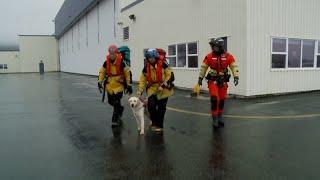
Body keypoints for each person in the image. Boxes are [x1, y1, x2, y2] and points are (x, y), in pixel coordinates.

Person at [197, 38, 239, 129]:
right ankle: (215, 119)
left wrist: (236, 76)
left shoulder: (228, 56)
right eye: (213, 47)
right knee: (214, 99)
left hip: (223, 81)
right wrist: (200, 78)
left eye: (215, 47)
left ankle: (220, 117)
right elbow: (203, 68)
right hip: (213, 81)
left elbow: (233, 66)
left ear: (220, 47)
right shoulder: (209, 56)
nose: (213, 49)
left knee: (222, 99)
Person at [136, 48, 174, 133]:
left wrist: (163, 85)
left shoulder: (163, 64)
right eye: (149, 57)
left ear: (156, 56)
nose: (151, 59)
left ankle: (159, 126)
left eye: (152, 57)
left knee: (161, 108)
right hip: (152, 89)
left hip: (164, 89)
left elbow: (170, 76)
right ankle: (154, 122)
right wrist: (140, 91)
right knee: (151, 106)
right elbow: (142, 80)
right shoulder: (146, 67)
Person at [98, 45, 133, 127]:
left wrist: (129, 85)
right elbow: (102, 72)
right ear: (109, 53)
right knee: (111, 102)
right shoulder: (106, 62)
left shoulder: (121, 62)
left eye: (113, 53)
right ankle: (120, 109)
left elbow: (127, 73)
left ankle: (114, 120)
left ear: (116, 53)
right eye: (110, 53)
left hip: (119, 85)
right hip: (110, 86)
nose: (112, 55)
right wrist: (100, 81)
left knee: (117, 102)